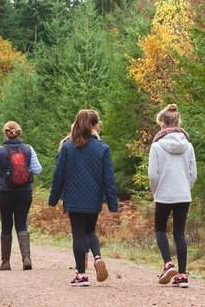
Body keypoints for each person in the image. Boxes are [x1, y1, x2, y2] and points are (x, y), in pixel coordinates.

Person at [48, 109, 119, 287]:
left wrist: (53, 199)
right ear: (94, 126)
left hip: (73, 198)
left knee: (78, 235)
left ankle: (81, 275)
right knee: (90, 232)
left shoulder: (67, 147)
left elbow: (59, 176)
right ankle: (97, 257)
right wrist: (112, 204)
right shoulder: (103, 148)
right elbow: (108, 178)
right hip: (93, 197)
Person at [148, 104, 197, 288]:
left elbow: (153, 174)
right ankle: (182, 275)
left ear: (162, 123)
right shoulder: (188, 145)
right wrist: (186, 187)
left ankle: (168, 263)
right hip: (184, 194)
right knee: (180, 233)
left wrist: (156, 190)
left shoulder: (156, 146)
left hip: (164, 194)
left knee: (160, 230)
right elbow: (193, 173)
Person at [0, 121, 42, 271]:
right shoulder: (28, 149)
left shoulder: (0, 150)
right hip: (25, 193)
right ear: (19, 132)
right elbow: (38, 170)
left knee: (6, 225)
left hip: (5, 193)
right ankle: (26, 258)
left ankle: (5, 262)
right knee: (21, 224)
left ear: (5, 133)